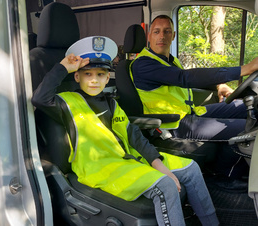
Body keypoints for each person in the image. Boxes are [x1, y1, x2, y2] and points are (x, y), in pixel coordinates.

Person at [31, 36, 219, 225]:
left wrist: (159, 165)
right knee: (166, 186)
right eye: (87, 74)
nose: (94, 80)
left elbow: (134, 136)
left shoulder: (111, 104)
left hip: (126, 159)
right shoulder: (67, 102)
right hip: (98, 168)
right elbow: (40, 99)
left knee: (191, 169)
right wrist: (63, 68)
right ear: (77, 76)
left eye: (100, 74)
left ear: (107, 78)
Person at [130, 14, 258, 182]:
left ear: (173, 35)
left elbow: (187, 78)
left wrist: (219, 86)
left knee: (242, 107)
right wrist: (245, 69)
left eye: (167, 31)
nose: (162, 36)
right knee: (250, 128)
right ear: (149, 36)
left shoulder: (170, 60)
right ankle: (226, 177)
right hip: (174, 124)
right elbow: (184, 78)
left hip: (191, 113)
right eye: (156, 31)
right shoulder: (143, 64)